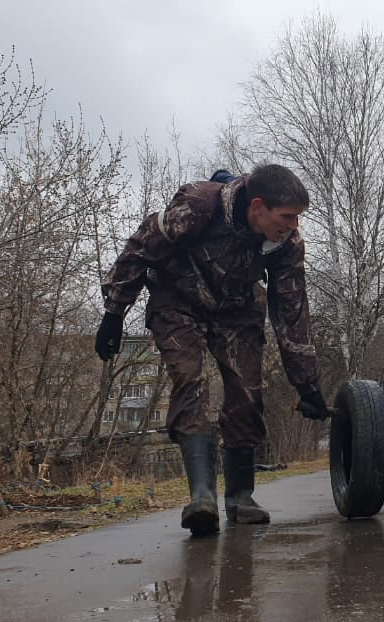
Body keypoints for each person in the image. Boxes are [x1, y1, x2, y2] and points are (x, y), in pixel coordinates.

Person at [96, 165, 331, 535]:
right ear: (258, 206)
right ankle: (202, 497)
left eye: (297, 218)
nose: (292, 226)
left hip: (236, 309)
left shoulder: (286, 245)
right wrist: (114, 311)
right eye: (286, 217)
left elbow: (291, 311)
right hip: (177, 300)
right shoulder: (199, 206)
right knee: (191, 381)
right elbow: (141, 247)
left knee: (246, 392)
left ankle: (240, 498)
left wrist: (307, 384)